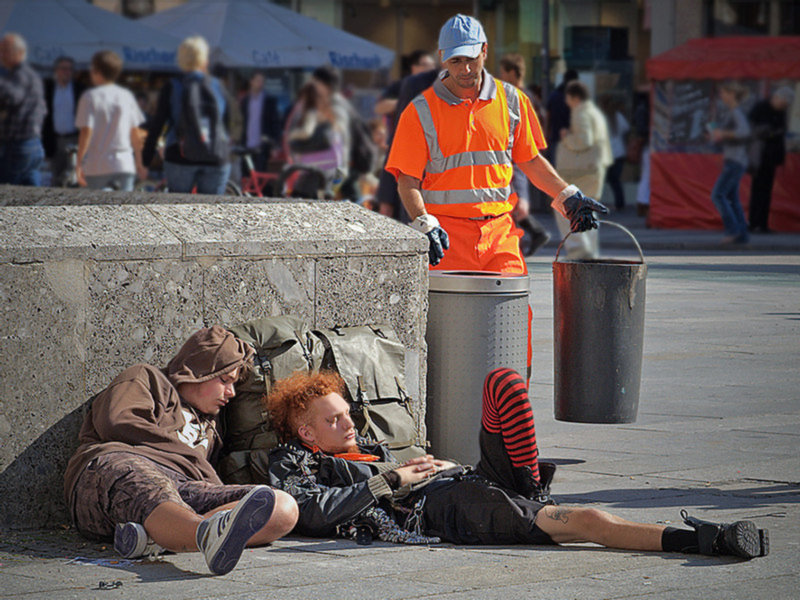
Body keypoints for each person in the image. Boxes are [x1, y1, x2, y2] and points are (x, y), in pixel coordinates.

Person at [263, 368, 769, 560]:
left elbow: (393, 470)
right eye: (335, 421)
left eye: (348, 414)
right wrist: (393, 479)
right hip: (444, 512)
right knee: (587, 522)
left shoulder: (366, 446)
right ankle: (708, 539)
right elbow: (310, 510)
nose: (350, 425)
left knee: (501, 383)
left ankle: (524, 480)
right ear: (307, 432)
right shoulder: (295, 459)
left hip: (459, 484)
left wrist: (424, 464)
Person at [385, 14, 607, 378]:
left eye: (471, 58)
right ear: (443, 58)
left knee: (515, 316)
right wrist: (424, 223)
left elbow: (531, 161)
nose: (465, 68)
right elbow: (407, 180)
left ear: (485, 51)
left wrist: (567, 195)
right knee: (442, 329)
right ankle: (443, 409)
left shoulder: (512, 102)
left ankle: (514, 398)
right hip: (446, 239)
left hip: (499, 236)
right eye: (456, 60)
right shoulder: (420, 111)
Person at [63, 326, 298, 576]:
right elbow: (117, 422)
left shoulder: (212, 425)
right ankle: (202, 534)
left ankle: (162, 537)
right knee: (147, 481)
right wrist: (194, 462)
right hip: (119, 466)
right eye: (225, 380)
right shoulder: (146, 378)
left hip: (184, 487)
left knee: (280, 506)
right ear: (202, 368)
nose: (231, 392)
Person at [143, 36, 234, 195]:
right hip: (216, 155)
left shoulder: (172, 86)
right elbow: (229, 121)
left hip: (180, 154)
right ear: (204, 59)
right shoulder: (218, 86)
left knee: (179, 210)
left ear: (180, 59)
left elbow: (158, 123)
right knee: (212, 212)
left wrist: (147, 156)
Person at [498, 53, 551, 256]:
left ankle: (521, 240)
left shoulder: (515, 96)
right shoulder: (528, 95)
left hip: (516, 154)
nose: (501, 76)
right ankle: (531, 233)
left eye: (503, 72)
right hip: (522, 153)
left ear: (512, 72)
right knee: (513, 202)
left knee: (514, 201)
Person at [554, 81, 613, 259]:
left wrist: (566, 138)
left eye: (568, 97)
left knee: (569, 206)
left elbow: (583, 140)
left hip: (582, 171)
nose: (567, 101)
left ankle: (578, 249)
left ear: (575, 97)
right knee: (589, 208)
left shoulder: (580, 113)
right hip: (594, 168)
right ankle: (589, 250)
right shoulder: (594, 112)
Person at [74, 51, 147, 191]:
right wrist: (139, 163)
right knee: (124, 210)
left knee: (95, 209)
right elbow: (135, 133)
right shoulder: (126, 96)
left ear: (97, 71)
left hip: (97, 164)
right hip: (124, 163)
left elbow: (86, 131)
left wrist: (79, 163)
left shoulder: (90, 97)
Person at [0, 33, 46, 186]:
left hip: (20, 144)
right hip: (31, 144)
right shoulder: (28, 75)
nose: (1, 55)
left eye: (4, 50)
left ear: (19, 52)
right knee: (32, 195)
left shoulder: (21, 74)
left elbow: (13, 96)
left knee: (7, 194)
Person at [709, 81, 751, 245]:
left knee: (718, 195)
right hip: (735, 159)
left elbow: (744, 132)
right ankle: (742, 234)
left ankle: (733, 230)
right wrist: (719, 136)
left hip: (735, 160)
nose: (722, 97)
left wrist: (723, 133)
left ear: (732, 94)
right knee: (733, 199)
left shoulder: (736, 112)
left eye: (724, 93)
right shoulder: (733, 112)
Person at [748, 86, 793, 234]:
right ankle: (753, 223)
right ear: (778, 98)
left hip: (771, 157)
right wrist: (770, 132)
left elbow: (781, 129)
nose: (784, 107)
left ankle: (762, 224)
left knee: (766, 191)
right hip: (759, 156)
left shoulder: (780, 112)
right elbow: (752, 129)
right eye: (784, 103)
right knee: (757, 190)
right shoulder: (761, 108)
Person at [43, 56, 86, 186]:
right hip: (54, 140)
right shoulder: (47, 89)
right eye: (63, 68)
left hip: (74, 139)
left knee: (75, 177)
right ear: (56, 70)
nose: (66, 72)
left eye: (69, 69)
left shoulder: (80, 89)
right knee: (56, 177)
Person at [374, 50, 437, 137]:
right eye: (426, 65)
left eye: (433, 65)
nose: (431, 68)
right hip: (401, 139)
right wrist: (405, 102)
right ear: (414, 68)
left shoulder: (436, 86)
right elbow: (379, 108)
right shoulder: (401, 85)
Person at [240, 71, 281, 173]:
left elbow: (275, 123)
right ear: (251, 81)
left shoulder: (269, 101)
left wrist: (275, 145)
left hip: (262, 147)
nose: (260, 84)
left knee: (261, 178)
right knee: (246, 178)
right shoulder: (245, 101)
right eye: (258, 81)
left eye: (262, 81)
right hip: (247, 146)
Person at [600, 94, 630, 211]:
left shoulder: (601, 117)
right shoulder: (618, 116)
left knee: (602, 180)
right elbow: (626, 129)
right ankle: (620, 203)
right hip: (619, 152)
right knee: (615, 180)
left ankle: (599, 203)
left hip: (606, 154)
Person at [545, 68, 578, 166]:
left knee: (557, 169)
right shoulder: (574, 98)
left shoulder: (553, 95)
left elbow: (548, 117)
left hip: (555, 139)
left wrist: (546, 135)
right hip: (571, 140)